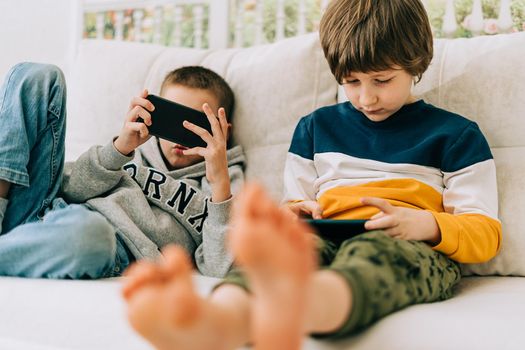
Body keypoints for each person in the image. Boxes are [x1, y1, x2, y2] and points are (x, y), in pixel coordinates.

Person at [121, 0, 502, 349]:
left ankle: (293, 311)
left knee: (371, 258)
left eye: (381, 80)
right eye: (351, 82)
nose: (366, 98)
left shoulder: (456, 135)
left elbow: (485, 234)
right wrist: (293, 215)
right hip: (324, 235)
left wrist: (426, 224)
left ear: (416, 63)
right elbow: (297, 204)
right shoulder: (315, 129)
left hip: (407, 244)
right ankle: (215, 321)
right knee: (286, 258)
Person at [0, 64, 244, 279]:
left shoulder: (230, 186)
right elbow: (71, 189)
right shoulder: (134, 154)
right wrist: (119, 149)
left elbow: (217, 267)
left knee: (90, 232)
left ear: (225, 131)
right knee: (40, 76)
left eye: (196, 123)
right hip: (46, 208)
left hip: (99, 242)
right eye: (175, 119)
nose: (182, 134)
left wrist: (219, 182)